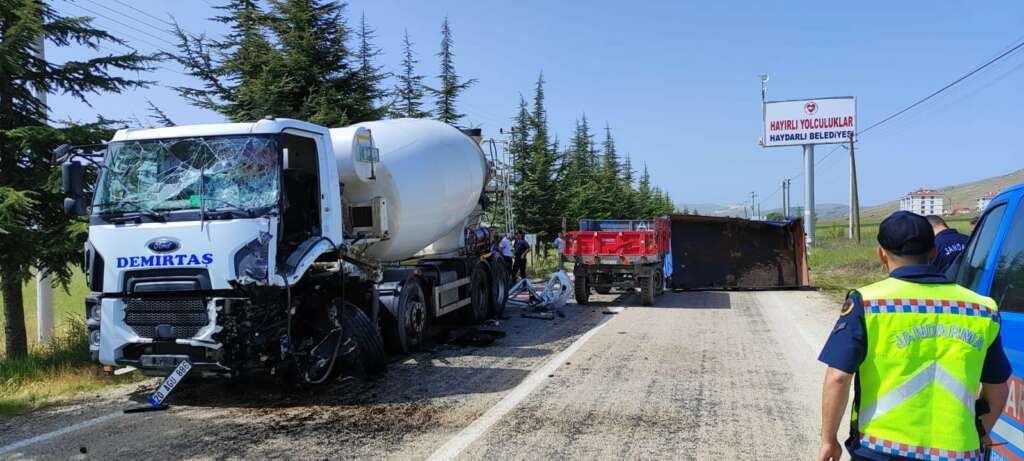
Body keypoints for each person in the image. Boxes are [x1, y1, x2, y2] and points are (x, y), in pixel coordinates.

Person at [817, 211, 1010, 461]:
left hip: (881, 450)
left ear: (881, 254)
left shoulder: (868, 303)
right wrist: (981, 432)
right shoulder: (981, 309)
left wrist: (828, 440)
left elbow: (838, 378)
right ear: (933, 252)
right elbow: (998, 389)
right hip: (958, 452)